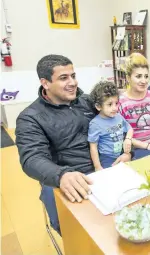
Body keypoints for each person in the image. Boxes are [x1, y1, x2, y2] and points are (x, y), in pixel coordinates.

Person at [15, 54, 96, 235]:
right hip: (66, 175)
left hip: (104, 165)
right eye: (63, 78)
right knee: (79, 233)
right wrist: (61, 175)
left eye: (73, 76)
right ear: (45, 83)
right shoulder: (30, 118)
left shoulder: (87, 101)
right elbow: (31, 158)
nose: (73, 82)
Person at [118, 53, 150, 159]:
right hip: (135, 150)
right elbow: (121, 135)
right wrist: (147, 146)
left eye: (146, 76)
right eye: (138, 76)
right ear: (128, 78)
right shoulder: (121, 102)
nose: (144, 81)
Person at [88, 81, 134, 170]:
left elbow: (129, 129)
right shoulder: (95, 124)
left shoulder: (119, 116)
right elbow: (93, 147)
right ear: (98, 106)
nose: (115, 108)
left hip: (122, 153)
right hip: (107, 158)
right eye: (109, 104)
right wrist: (97, 166)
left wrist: (128, 139)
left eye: (116, 103)